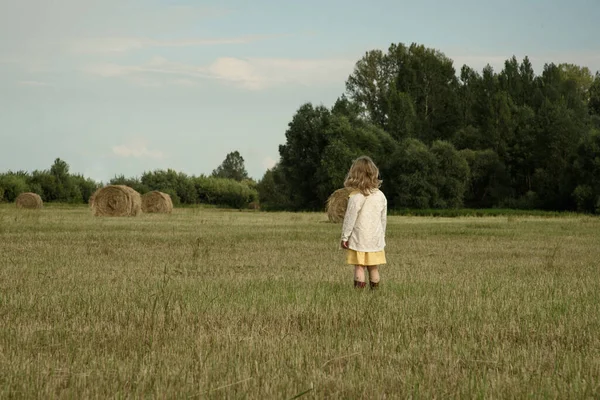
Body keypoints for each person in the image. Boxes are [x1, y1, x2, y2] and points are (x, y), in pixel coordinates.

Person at [340, 156, 387, 289]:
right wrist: (381, 236)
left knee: (359, 267)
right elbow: (383, 219)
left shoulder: (355, 196)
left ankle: (358, 294)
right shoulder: (381, 196)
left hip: (359, 238)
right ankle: (375, 292)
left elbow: (350, 219)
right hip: (375, 239)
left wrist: (345, 237)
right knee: (374, 268)